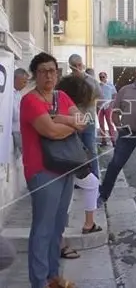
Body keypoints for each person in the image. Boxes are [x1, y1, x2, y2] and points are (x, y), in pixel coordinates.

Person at [20, 52, 87, 288]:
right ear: (35, 75)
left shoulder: (62, 96)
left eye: (52, 70)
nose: (48, 75)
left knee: (58, 226)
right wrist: (69, 124)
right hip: (42, 171)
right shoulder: (30, 101)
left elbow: (81, 121)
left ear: (57, 73)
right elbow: (49, 132)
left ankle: (53, 277)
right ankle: (38, 282)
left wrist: (61, 119)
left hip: (65, 168)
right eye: (43, 71)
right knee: (42, 228)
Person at [97, 64, 136, 212]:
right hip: (127, 134)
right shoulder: (124, 90)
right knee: (115, 164)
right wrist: (118, 126)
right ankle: (103, 196)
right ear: (135, 74)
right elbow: (115, 112)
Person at [57, 75, 103, 234]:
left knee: (87, 185)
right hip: (64, 159)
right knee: (66, 197)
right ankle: (61, 236)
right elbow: (80, 123)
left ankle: (84, 226)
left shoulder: (58, 105)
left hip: (64, 159)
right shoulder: (64, 109)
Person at [69, 54, 102, 179]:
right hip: (73, 120)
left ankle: (94, 177)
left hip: (89, 119)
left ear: (82, 65)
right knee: (76, 150)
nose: (77, 68)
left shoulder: (91, 80)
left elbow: (99, 95)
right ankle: (80, 178)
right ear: (71, 67)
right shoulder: (68, 81)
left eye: (79, 65)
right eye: (74, 66)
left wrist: (87, 98)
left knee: (91, 149)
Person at [97, 71, 117, 147]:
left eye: (103, 77)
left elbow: (115, 95)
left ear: (106, 77)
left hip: (108, 106)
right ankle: (103, 141)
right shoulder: (98, 86)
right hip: (99, 107)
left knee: (110, 123)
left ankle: (113, 140)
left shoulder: (110, 85)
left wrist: (112, 104)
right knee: (101, 124)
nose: (102, 78)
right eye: (100, 77)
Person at [12, 68, 29, 156]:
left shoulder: (17, 93)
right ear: (15, 79)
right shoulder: (10, 93)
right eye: (24, 82)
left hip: (19, 128)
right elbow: (15, 115)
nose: (25, 85)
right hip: (15, 129)